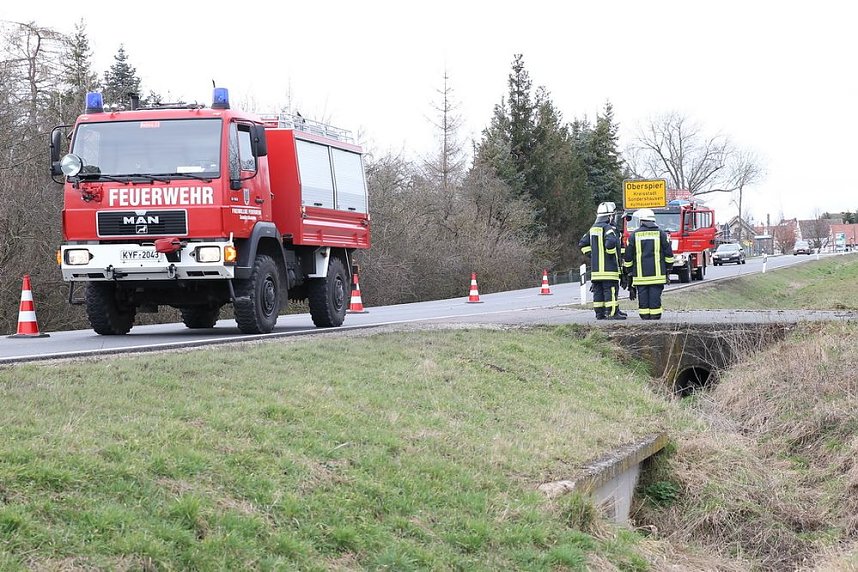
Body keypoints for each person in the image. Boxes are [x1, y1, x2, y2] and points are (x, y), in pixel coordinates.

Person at [622, 208, 674, 320]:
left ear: (641, 221)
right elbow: (669, 254)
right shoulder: (661, 234)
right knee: (655, 298)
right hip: (657, 275)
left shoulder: (633, 235)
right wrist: (668, 269)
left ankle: (645, 317)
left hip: (640, 276)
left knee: (643, 300)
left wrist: (629, 272)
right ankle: (655, 317)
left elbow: (628, 256)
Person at [579, 202, 626, 320]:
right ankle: (612, 313)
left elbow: (582, 244)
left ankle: (599, 313)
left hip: (596, 271)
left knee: (598, 292)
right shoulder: (608, 228)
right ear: (609, 216)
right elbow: (610, 242)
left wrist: (593, 255)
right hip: (609, 269)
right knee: (610, 290)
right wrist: (610, 254)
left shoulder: (593, 228)